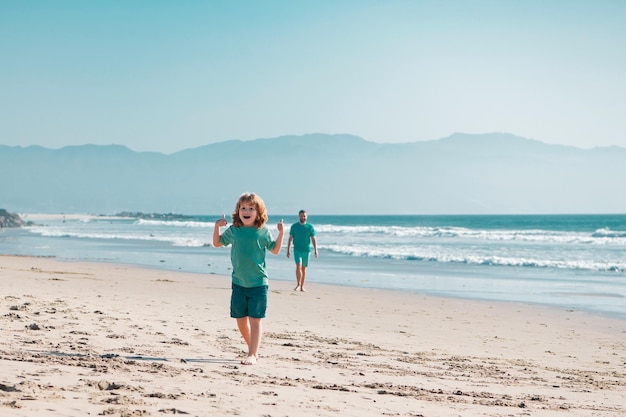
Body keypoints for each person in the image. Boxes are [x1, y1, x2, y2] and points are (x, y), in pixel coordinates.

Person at [213, 192, 284, 365]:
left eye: (251, 208)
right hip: (238, 282)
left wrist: (281, 233)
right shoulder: (234, 231)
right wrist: (217, 227)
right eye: (243, 208)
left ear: (258, 213)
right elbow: (217, 243)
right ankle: (253, 349)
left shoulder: (262, 232)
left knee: (255, 320)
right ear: (238, 211)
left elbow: (274, 250)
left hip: (259, 283)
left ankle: (252, 354)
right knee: (240, 319)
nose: (246, 211)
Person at [286, 209, 318, 291]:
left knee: (304, 268)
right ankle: (298, 285)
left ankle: (302, 286)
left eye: (304, 216)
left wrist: (316, 250)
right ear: (299, 216)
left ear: (306, 217)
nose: (303, 217)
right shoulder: (294, 227)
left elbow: (313, 239)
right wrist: (288, 250)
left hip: (306, 250)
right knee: (298, 266)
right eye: (301, 216)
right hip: (297, 249)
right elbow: (290, 239)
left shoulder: (310, 227)